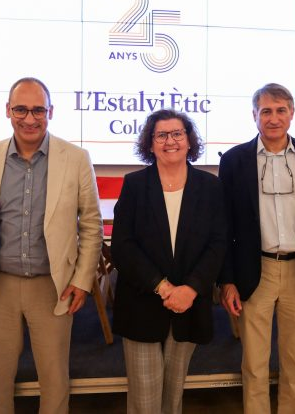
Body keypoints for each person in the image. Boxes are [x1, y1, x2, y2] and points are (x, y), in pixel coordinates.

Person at [0, 77, 102, 413]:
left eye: (38, 110)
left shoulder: (76, 158)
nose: (29, 119)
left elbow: (90, 224)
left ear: (50, 112)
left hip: (53, 286)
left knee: (54, 380)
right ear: (8, 111)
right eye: (21, 110)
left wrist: (82, 280)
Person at [218, 83, 295, 414]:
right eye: (266, 111)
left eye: (280, 110)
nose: (273, 118)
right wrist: (226, 280)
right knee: (254, 365)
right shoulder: (234, 161)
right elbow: (223, 227)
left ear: (292, 114)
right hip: (254, 271)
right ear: (254, 115)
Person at [111, 109, 227, 414]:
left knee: (173, 397)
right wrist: (162, 287)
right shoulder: (135, 185)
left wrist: (190, 289)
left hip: (189, 304)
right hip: (142, 302)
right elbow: (123, 246)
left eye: (177, 134)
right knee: (145, 400)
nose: (170, 141)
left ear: (189, 141)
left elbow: (218, 243)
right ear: (150, 144)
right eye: (161, 135)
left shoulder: (210, 186)